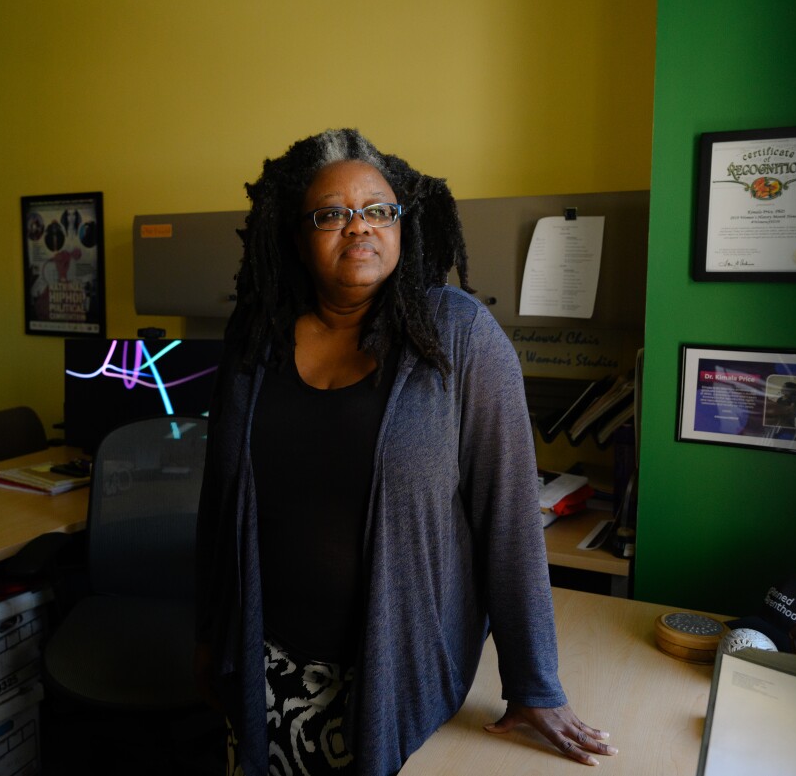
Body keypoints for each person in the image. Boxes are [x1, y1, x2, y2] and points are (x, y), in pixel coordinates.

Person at [194, 128, 617, 775]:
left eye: (377, 210)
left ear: (401, 223)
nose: (358, 227)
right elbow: (220, 502)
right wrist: (209, 634)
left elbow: (508, 519)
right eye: (332, 214)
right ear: (296, 235)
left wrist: (534, 683)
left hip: (397, 675)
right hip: (263, 666)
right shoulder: (257, 339)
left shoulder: (458, 335)